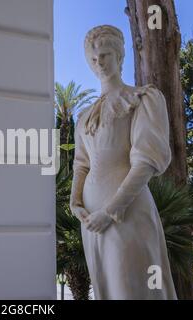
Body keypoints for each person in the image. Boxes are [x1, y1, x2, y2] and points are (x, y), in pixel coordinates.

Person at [70, 25, 177, 300]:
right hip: (90, 218)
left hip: (126, 210)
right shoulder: (83, 116)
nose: (100, 63)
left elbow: (145, 161)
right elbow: (81, 164)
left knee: (132, 288)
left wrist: (110, 211)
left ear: (120, 56)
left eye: (106, 55)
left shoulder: (143, 98)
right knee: (107, 288)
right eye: (94, 59)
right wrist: (75, 203)